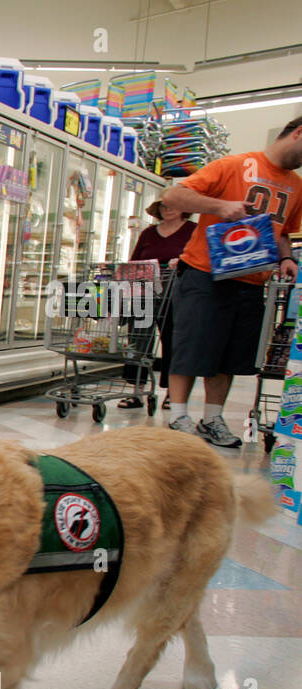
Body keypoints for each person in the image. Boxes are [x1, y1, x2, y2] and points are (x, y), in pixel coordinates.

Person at [160, 116, 302, 446]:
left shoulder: (297, 186)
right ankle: (178, 415)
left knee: (228, 354)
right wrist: (220, 206)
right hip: (205, 273)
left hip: (251, 280)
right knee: (192, 346)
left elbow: (285, 232)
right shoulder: (235, 165)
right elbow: (173, 196)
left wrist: (286, 258)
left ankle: (212, 418)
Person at [118, 200, 195, 409]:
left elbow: (200, 258)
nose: (168, 209)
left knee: (174, 340)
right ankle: (137, 391)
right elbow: (134, 260)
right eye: (163, 206)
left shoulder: (193, 231)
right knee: (138, 339)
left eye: (172, 204)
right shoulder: (149, 233)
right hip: (145, 292)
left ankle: (173, 393)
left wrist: (183, 260)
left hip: (177, 293)